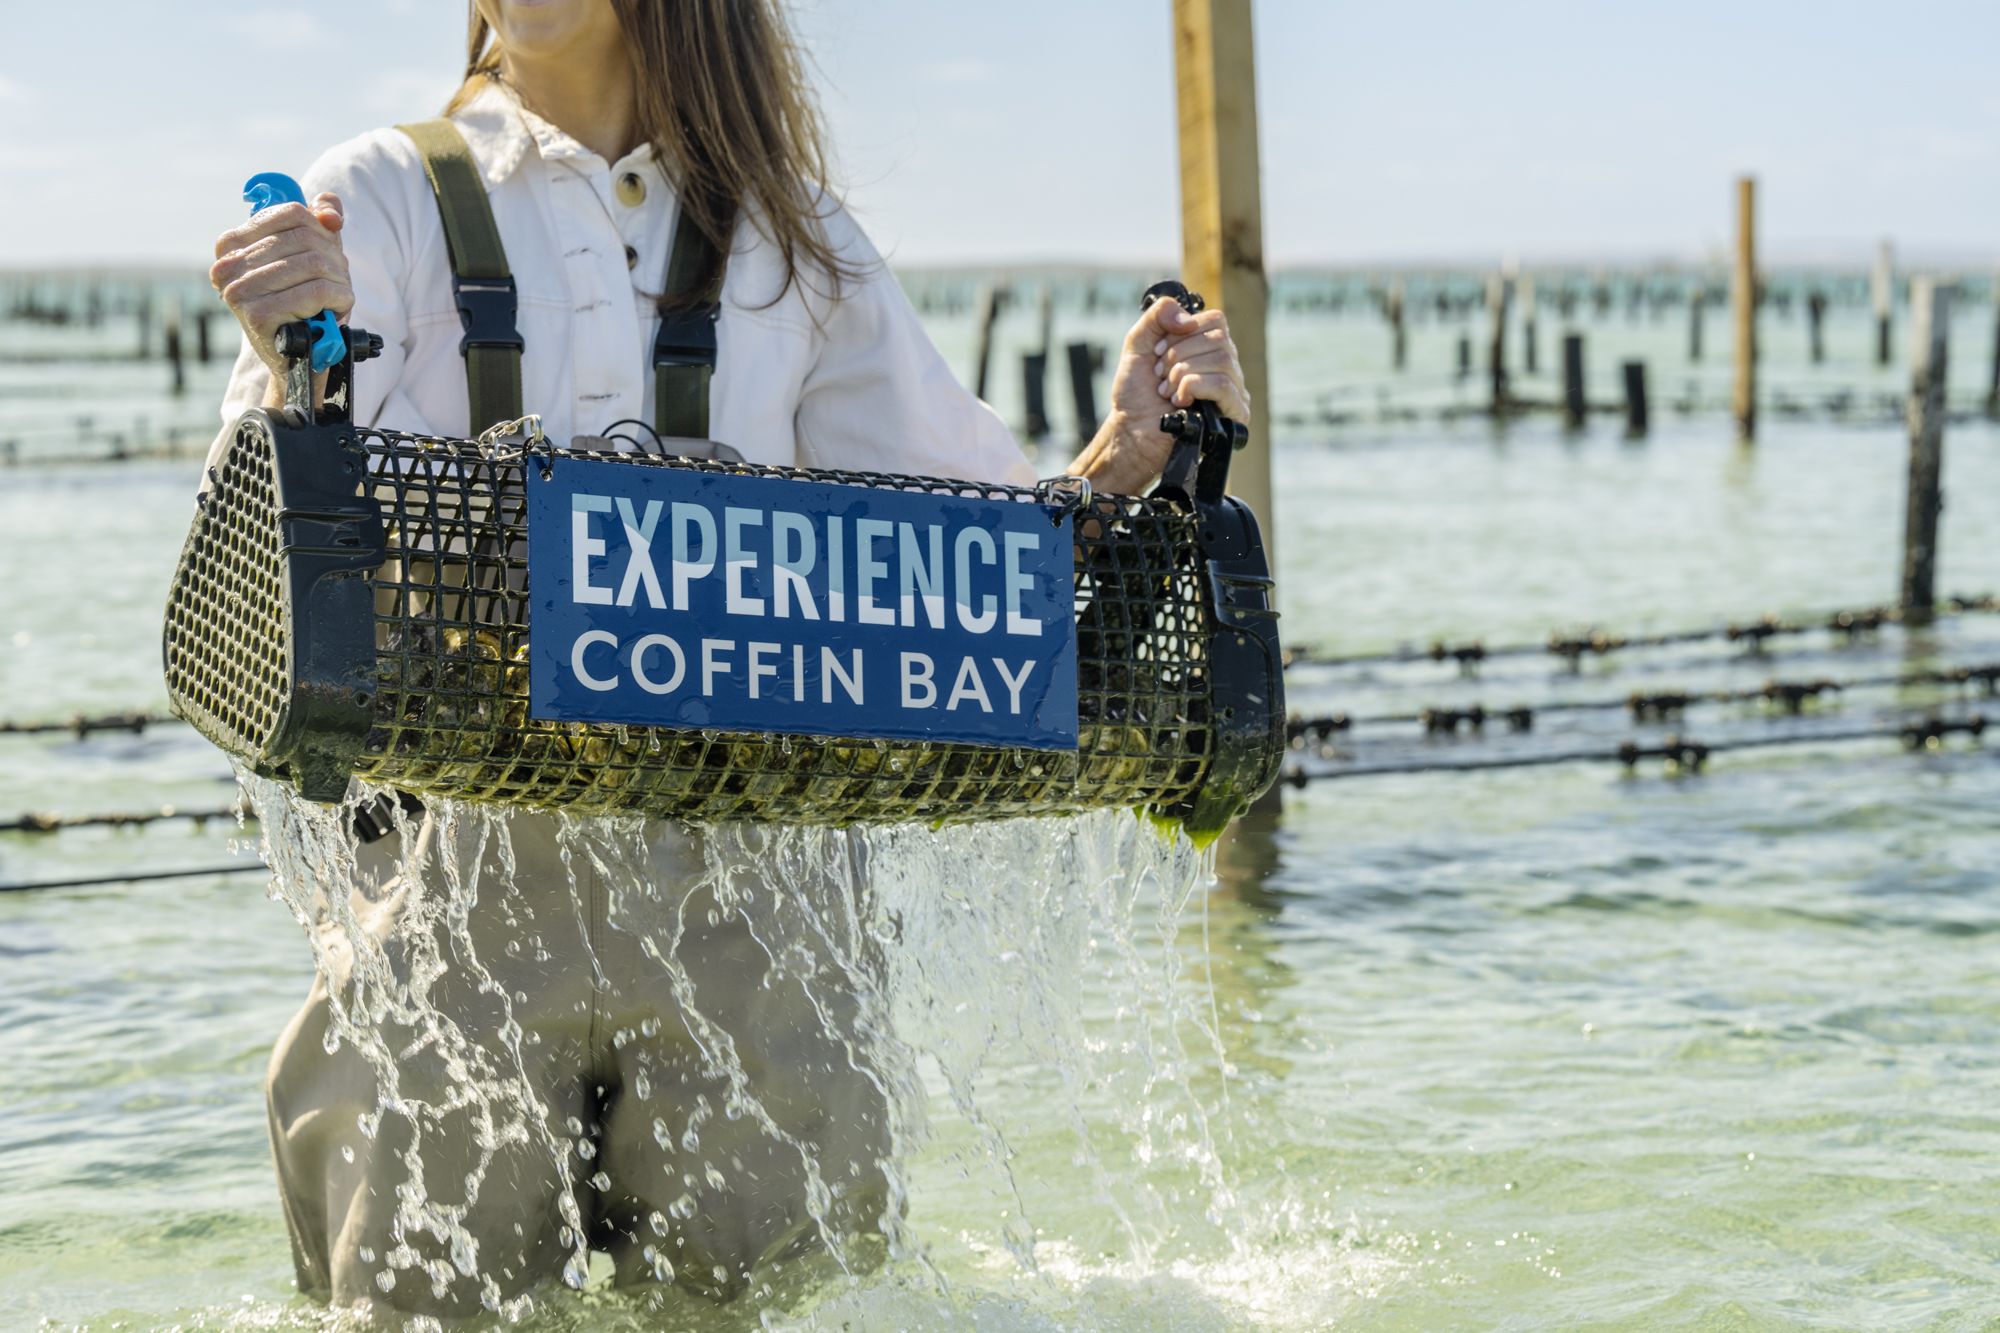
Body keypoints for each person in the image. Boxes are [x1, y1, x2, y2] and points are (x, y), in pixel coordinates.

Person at [206, 0, 1250, 1318]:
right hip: (450, 884)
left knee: (776, 1308)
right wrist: (296, 353)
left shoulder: (794, 238)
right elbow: (261, 549)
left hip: (762, 907)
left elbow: (983, 557)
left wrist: (1134, 454)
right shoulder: (376, 197)